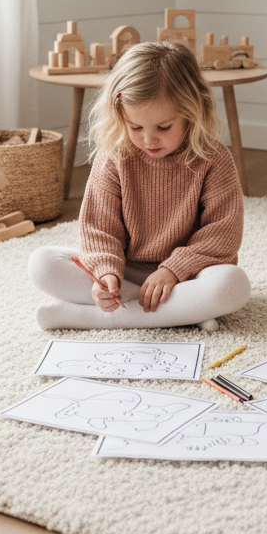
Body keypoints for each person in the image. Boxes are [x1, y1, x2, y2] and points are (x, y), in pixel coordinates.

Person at [28, 41, 250, 331]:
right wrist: (106, 275)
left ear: (192, 112)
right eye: (136, 128)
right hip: (128, 272)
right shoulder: (115, 156)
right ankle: (182, 312)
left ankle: (92, 318)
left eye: (163, 127)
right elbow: (99, 226)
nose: (148, 140)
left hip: (190, 274)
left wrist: (173, 270)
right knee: (42, 263)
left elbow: (223, 233)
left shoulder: (214, 159)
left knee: (233, 285)